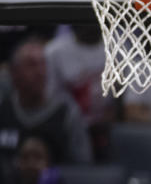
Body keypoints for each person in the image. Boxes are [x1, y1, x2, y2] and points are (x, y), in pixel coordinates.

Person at [0, 36, 92, 176]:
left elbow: (83, 169)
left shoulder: (66, 112)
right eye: (31, 65)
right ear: (14, 73)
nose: (40, 72)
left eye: (42, 64)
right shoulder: (3, 109)